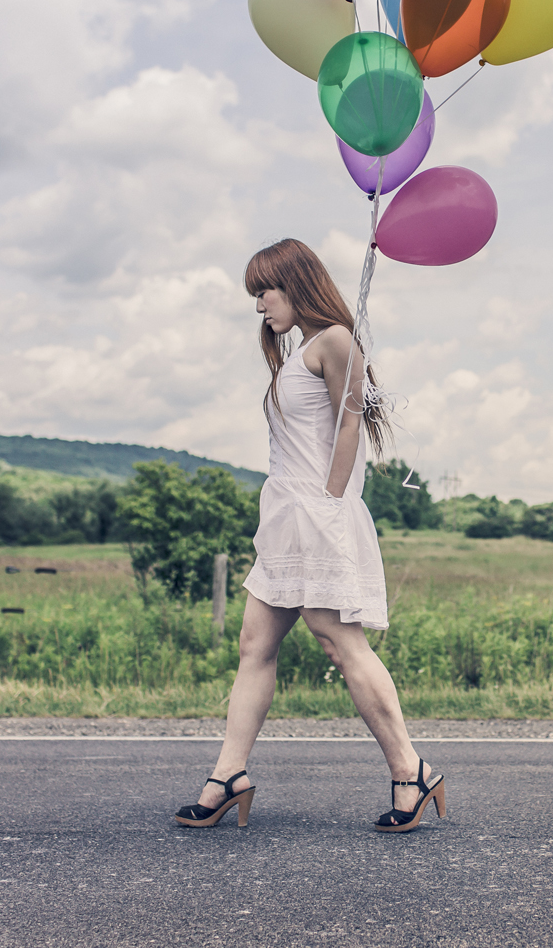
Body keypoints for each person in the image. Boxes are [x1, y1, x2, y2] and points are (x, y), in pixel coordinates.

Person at [174, 238, 444, 833]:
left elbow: (349, 426)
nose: (260, 306)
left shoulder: (335, 341)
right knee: (253, 644)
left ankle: (411, 770)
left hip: (319, 515)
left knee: (338, 642)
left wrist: (329, 504)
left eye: (264, 291)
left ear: (295, 282)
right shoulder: (298, 353)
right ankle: (228, 776)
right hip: (284, 520)